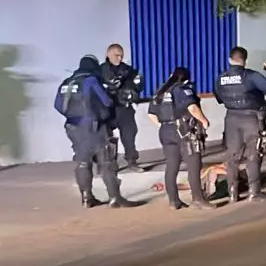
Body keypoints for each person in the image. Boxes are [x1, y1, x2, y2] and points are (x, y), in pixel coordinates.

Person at [54, 55, 132, 208]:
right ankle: (115, 198)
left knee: (83, 162)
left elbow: (58, 105)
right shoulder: (91, 80)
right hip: (94, 127)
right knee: (107, 162)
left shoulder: (67, 82)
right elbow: (106, 101)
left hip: (73, 128)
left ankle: (86, 198)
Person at [216, 46, 266, 202]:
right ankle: (254, 193)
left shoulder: (221, 77)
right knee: (254, 154)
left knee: (232, 157)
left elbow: (219, 98)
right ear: (244, 60)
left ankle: (232, 193)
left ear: (230, 59)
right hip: (251, 119)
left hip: (231, 119)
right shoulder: (251, 76)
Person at [147, 67, 214, 210]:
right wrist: (204, 121)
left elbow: (151, 115)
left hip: (165, 131)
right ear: (186, 79)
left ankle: (174, 201)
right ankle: (197, 199)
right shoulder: (182, 89)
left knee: (171, 166)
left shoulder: (160, 91)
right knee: (193, 164)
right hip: (183, 131)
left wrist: (166, 126)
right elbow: (192, 108)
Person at [100, 43, 144, 171]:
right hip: (107, 110)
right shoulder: (100, 71)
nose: (119, 58)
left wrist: (131, 91)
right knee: (107, 139)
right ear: (108, 55)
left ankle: (132, 161)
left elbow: (137, 86)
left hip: (124, 108)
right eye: (116, 55)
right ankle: (110, 164)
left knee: (129, 135)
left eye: (121, 56)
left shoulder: (128, 70)